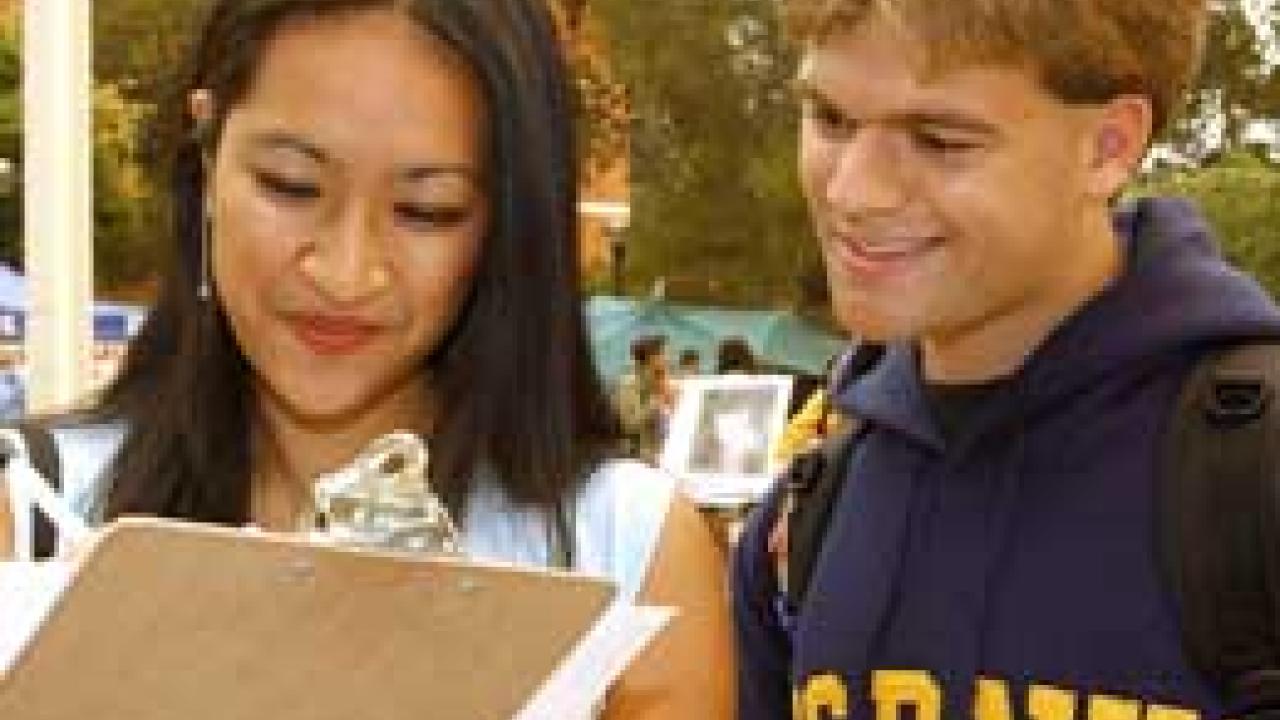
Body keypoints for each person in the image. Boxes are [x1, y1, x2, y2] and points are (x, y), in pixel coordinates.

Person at [0, 1, 733, 716]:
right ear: (207, 151)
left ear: (506, 225)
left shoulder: (626, 549)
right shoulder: (35, 509)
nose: (347, 272)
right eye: (290, 186)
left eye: (426, 211)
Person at [732, 0, 1280, 718]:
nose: (853, 192)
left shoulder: (1249, 477)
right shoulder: (810, 510)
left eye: (939, 139)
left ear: (1109, 147)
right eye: (830, 119)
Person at [613, 335, 675, 464]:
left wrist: (674, 403)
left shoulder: (664, 383)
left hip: (665, 451)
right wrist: (655, 402)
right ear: (642, 365)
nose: (665, 359)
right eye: (660, 354)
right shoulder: (627, 387)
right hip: (640, 458)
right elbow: (628, 425)